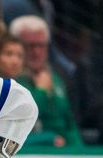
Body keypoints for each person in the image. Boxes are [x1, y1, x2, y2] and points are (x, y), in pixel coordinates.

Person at [9, 14, 81, 147]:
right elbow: (18, 124)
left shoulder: (57, 79)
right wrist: (41, 91)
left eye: (41, 45)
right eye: (29, 46)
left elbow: (69, 125)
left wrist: (80, 152)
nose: (36, 52)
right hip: (28, 155)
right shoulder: (9, 80)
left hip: (64, 155)